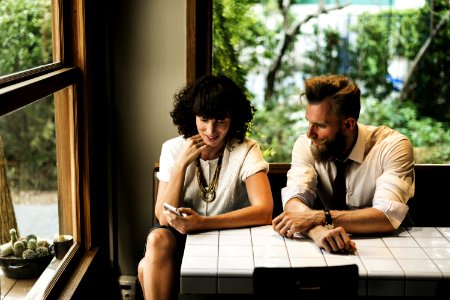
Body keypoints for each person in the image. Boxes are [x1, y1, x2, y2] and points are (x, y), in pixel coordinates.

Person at [137, 74, 273, 300]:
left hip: (231, 238)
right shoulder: (172, 149)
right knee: (157, 238)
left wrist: (203, 223)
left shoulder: (246, 149)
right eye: (204, 119)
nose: (211, 130)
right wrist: (181, 164)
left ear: (233, 119)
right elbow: (163, 217)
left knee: (144, 268)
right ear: (193, 116)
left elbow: (265, 210)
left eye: (220, 120)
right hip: (180, 241)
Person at [272, 74, 415, 254]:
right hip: (330, 249)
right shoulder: (306, 145)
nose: (310, 133)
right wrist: (317, 231)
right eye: (309, 122)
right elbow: (294, 201)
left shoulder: (393, 146)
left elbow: (386, 216)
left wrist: (320, 218)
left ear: (348, 125)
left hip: (394, 249)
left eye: (320, 125)